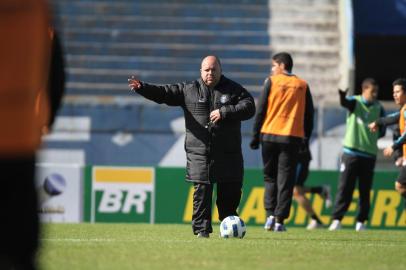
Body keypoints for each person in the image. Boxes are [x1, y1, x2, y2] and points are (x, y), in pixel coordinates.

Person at [128, 55, 255, 238]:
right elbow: (164, 93)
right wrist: (142, 88)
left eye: (214, 69)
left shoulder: (234, 90)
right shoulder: (189, 89)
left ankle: (229, 225)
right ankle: (201, 232)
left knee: (230, 194)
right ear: (201, 71)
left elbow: (249, 107)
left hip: (229, 153)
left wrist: (225, 111)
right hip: (200, 153)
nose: (210, 72)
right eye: (207, 69)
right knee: (202, 193)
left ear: (220, 70)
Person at [0, 0, 65, 269]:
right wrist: (44, 120)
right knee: (20, 249)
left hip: (21, 138)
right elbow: (57, 72)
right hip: (19, 139)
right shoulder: (37, 9)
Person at [250, 52, 314, 232]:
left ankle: (269, 215)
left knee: (269, 177)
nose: (272, 69)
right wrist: (305, 139)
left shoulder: (271, 81)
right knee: (286, 180)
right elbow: (309, 116)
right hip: (291, 137)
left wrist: (255, 136)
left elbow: (260, 109)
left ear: (282, 65)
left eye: (273, 65)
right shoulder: (302, 85)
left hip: (269, 135)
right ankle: (280, 221)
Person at [328, 78, 386, 231]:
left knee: (365, 191)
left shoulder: (379, 108)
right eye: (372, 91)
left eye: (376, 92)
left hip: (369, 155)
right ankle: (337, 220)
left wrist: (369, 139)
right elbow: (345, 103)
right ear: (363, 89)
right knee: (345, 188)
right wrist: (341, 96)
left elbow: (383, 131)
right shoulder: (355, 102)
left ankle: (361, 221)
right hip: (351, 153)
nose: (374, 94)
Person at [369, 78, 406, 211]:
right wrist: (377, 122)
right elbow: (392, 118)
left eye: (398, 92)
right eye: (393, 92)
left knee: (400, 185)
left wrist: (394, 146)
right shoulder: (403, 110)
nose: (394, 95)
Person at [293, 141, 332, 230]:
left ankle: (317, 221)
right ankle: (320, 190)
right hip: (292, 156)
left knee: (296, 191)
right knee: (293, 190)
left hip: (300, 156)